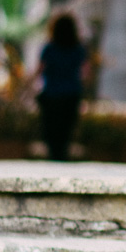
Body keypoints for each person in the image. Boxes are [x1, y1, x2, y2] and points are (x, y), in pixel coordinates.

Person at [38, 13, 87, 161]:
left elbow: (40, 70)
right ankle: (62, 156)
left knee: (51, 130)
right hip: (71, 94)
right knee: (66, 129)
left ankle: (54, 156)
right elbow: (86, 73)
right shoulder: (78, 49)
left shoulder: (49, 49)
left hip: (51, 95)